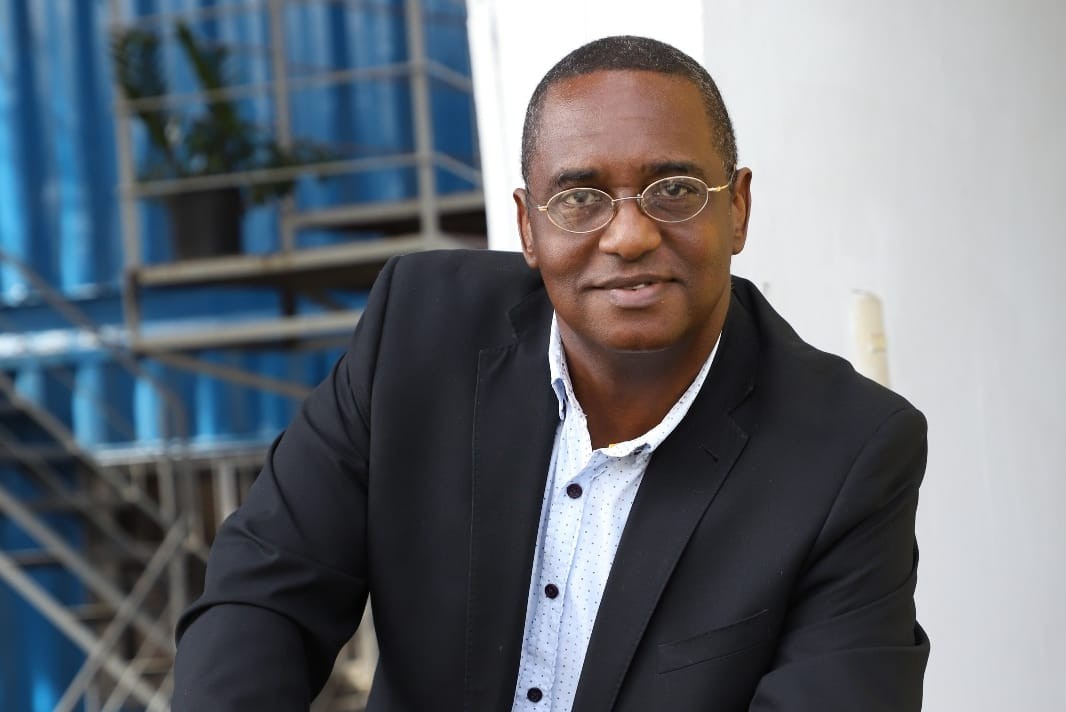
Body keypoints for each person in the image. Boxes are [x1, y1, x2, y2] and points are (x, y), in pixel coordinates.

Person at [173, 35, 929, 711]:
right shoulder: (418, 334)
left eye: (674, 190)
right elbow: (263, 595)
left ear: (737, 208)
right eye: (579, 198)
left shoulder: (845, 452)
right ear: (528, 227)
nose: (628, 236)